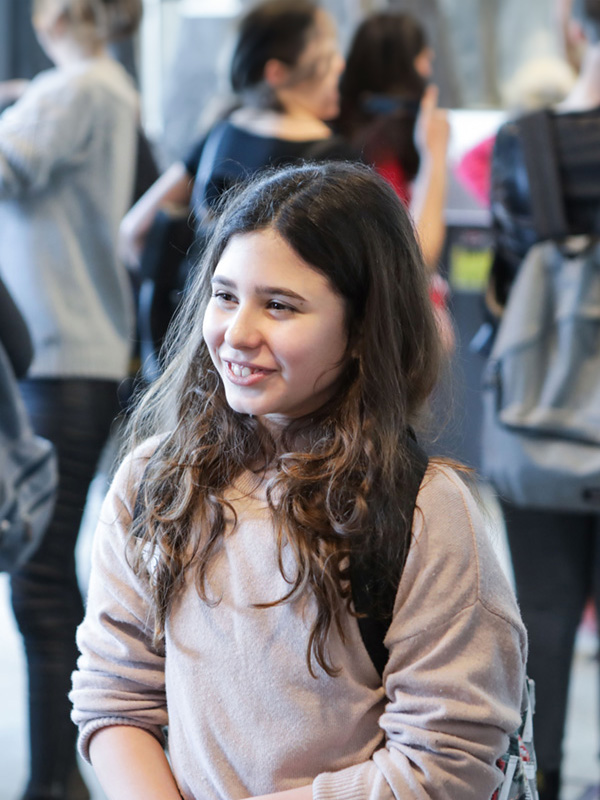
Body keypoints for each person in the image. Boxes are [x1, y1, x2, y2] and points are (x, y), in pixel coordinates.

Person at [70, 161, 527, 800]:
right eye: (225, 295)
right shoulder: (156, 479)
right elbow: (115, 695)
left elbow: (444, 763)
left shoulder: (425, 513)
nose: (236, 333)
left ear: (364, 329)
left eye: (280, 306)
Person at [0, 1, 143, 797]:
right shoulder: (99, 88)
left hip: (59, 357)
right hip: (73, 354)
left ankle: (56, 782)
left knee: (41, 576)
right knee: (53, 573)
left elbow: (9, 167)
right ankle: (66, 776)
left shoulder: (77, 90)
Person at [487, 2, 600, 797]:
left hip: (542, 417)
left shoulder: (522, 143)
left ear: (572, 24)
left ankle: (544, 780)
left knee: (545, 619)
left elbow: (501, 286)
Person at [119, 0, 348, 269]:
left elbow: (133, 231)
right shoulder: (336, 160)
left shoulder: (221, 133)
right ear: (276, 73)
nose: (340, 65)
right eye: (327, 54)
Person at [336, 11, 449, 272]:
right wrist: (435, 153)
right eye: (423, 60)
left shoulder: (342, 128)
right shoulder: (386, 142)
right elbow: (417, 258)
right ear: (407, 68)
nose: (429, 71)